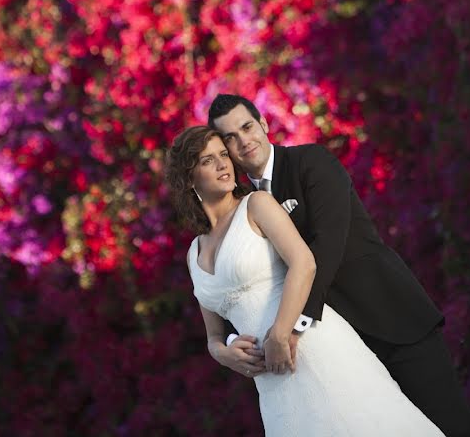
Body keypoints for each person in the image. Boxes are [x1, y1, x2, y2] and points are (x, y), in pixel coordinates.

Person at [206, 93, 470, 436]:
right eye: (230, 138)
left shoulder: (312, 162)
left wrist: (293, 326)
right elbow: (251, 279)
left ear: (263, 124)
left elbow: (328, 246)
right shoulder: (245, 209)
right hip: (343, 354)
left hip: (392, 324)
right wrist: (234, 341)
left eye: (247, 127)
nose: (243, 141)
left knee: (453, 428)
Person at [166, 126, 445, 435]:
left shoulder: (256, 205)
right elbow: (214, 336)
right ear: (188, 178)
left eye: (223, 155)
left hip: (308, 347)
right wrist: (223, 354)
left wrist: (280, 335)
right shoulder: (194, 254)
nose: (223, 164)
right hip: (272, 382)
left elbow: (304, 263)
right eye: (208, 160)